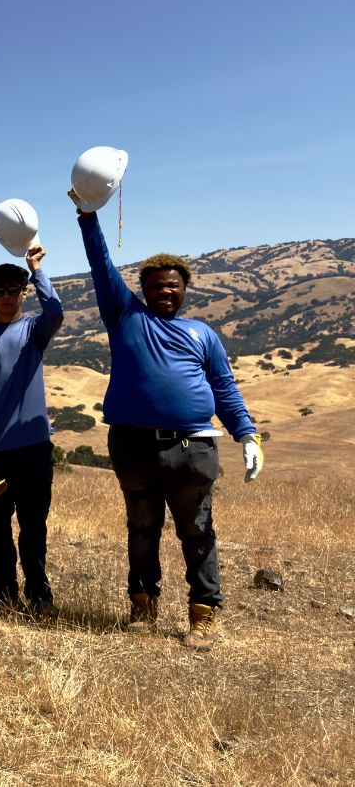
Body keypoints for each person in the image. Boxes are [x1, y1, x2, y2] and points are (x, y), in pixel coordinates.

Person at [73, 192, 263, 651]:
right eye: (156, 285)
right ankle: (142, 606)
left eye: (172, 285)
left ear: (185, 289)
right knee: (140, 528)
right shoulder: (124, 316)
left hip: (192, 449)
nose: (164, 291)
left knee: (197, 530)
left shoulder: (203, 334)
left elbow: (224, 388)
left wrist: (248, 433)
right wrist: (87, 216)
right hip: (133, 446)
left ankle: (204, 614)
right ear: (143, 289)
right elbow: (101, 265)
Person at [0, 247, 64, 621]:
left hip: (34, 447)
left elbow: (56, 312)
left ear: (23, 291)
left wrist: (37, 270)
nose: (7, 296)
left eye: (14, 289)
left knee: (34, 527)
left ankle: (40, 595)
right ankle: (4, 593)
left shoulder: (36, 328)